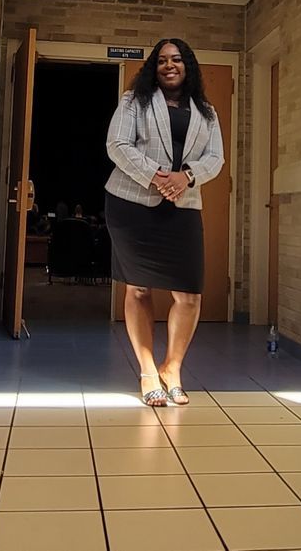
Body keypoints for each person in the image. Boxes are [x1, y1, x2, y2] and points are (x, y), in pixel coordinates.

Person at [104, 38, 223, 406]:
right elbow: (117, 145)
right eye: (161, 61)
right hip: (131, 203)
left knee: (189, 295)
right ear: (153, 68)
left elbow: (215, 158)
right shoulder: (133, 101)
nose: (169, 65)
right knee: (138, 289)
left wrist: (185, 177)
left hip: (183, 206)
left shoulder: (206, 111)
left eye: (176, 59)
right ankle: (147, 371)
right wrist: (158, 176)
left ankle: (172, 367)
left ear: (188, 65)